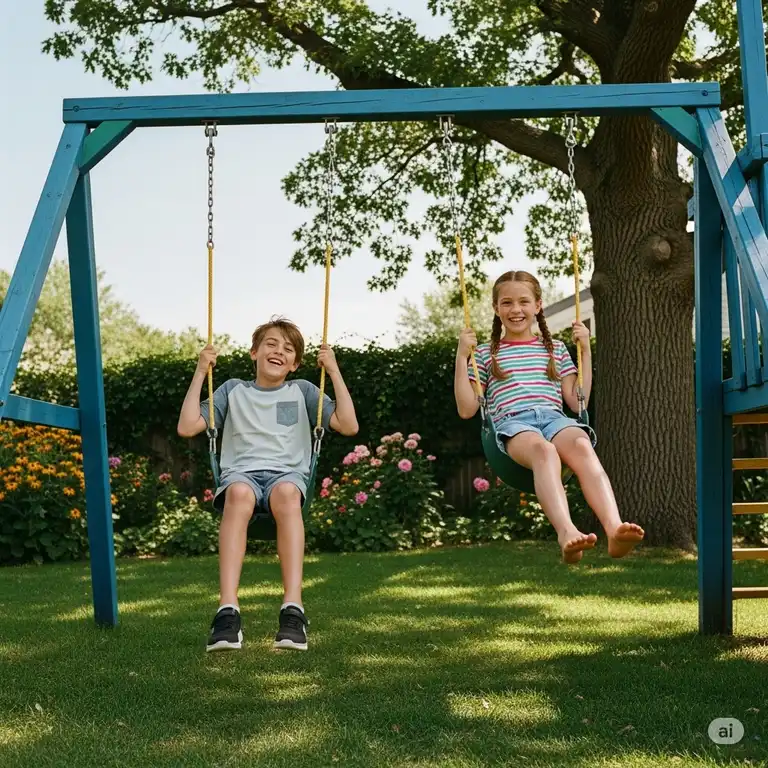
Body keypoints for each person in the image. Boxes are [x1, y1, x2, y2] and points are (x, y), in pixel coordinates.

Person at [178, 317, 358, 651]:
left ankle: (293, 611)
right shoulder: (233, 390)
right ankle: (227, 612)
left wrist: (333, 370)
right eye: (272, 344)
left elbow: (348, 425)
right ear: (254, 352)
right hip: (241, 475)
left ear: (295, 364)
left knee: (288, 494)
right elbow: (188, 426)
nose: (279, 351)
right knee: (239, 493)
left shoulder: (302, 391)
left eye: (289, 349)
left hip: (285, 477)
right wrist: (201, 371)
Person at [454, 270, 644, 564]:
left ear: (538, 305)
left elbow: (576, 399)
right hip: (514, 424)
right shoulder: (483, 354)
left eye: (523, 302)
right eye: (506, 303)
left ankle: (614, 528)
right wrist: (461, 356)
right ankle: (567, 532)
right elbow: (467, 409)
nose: (515, 310)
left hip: (554, 419)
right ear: (496, 309)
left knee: (581, 444)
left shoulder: (554, 349)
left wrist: (585, 351)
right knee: (544, 451)